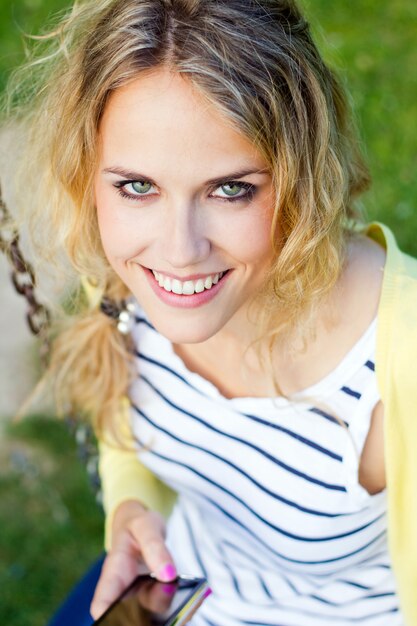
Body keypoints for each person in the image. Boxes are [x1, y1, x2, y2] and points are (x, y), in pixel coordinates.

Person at [4, 0, 417, 624]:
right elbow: (125, 441)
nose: (178, 252)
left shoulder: (400, 354)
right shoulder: (129, 284)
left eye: (231, 189)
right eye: (137, 186)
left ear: (302, 175)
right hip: (181, 594)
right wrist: (131, 509)